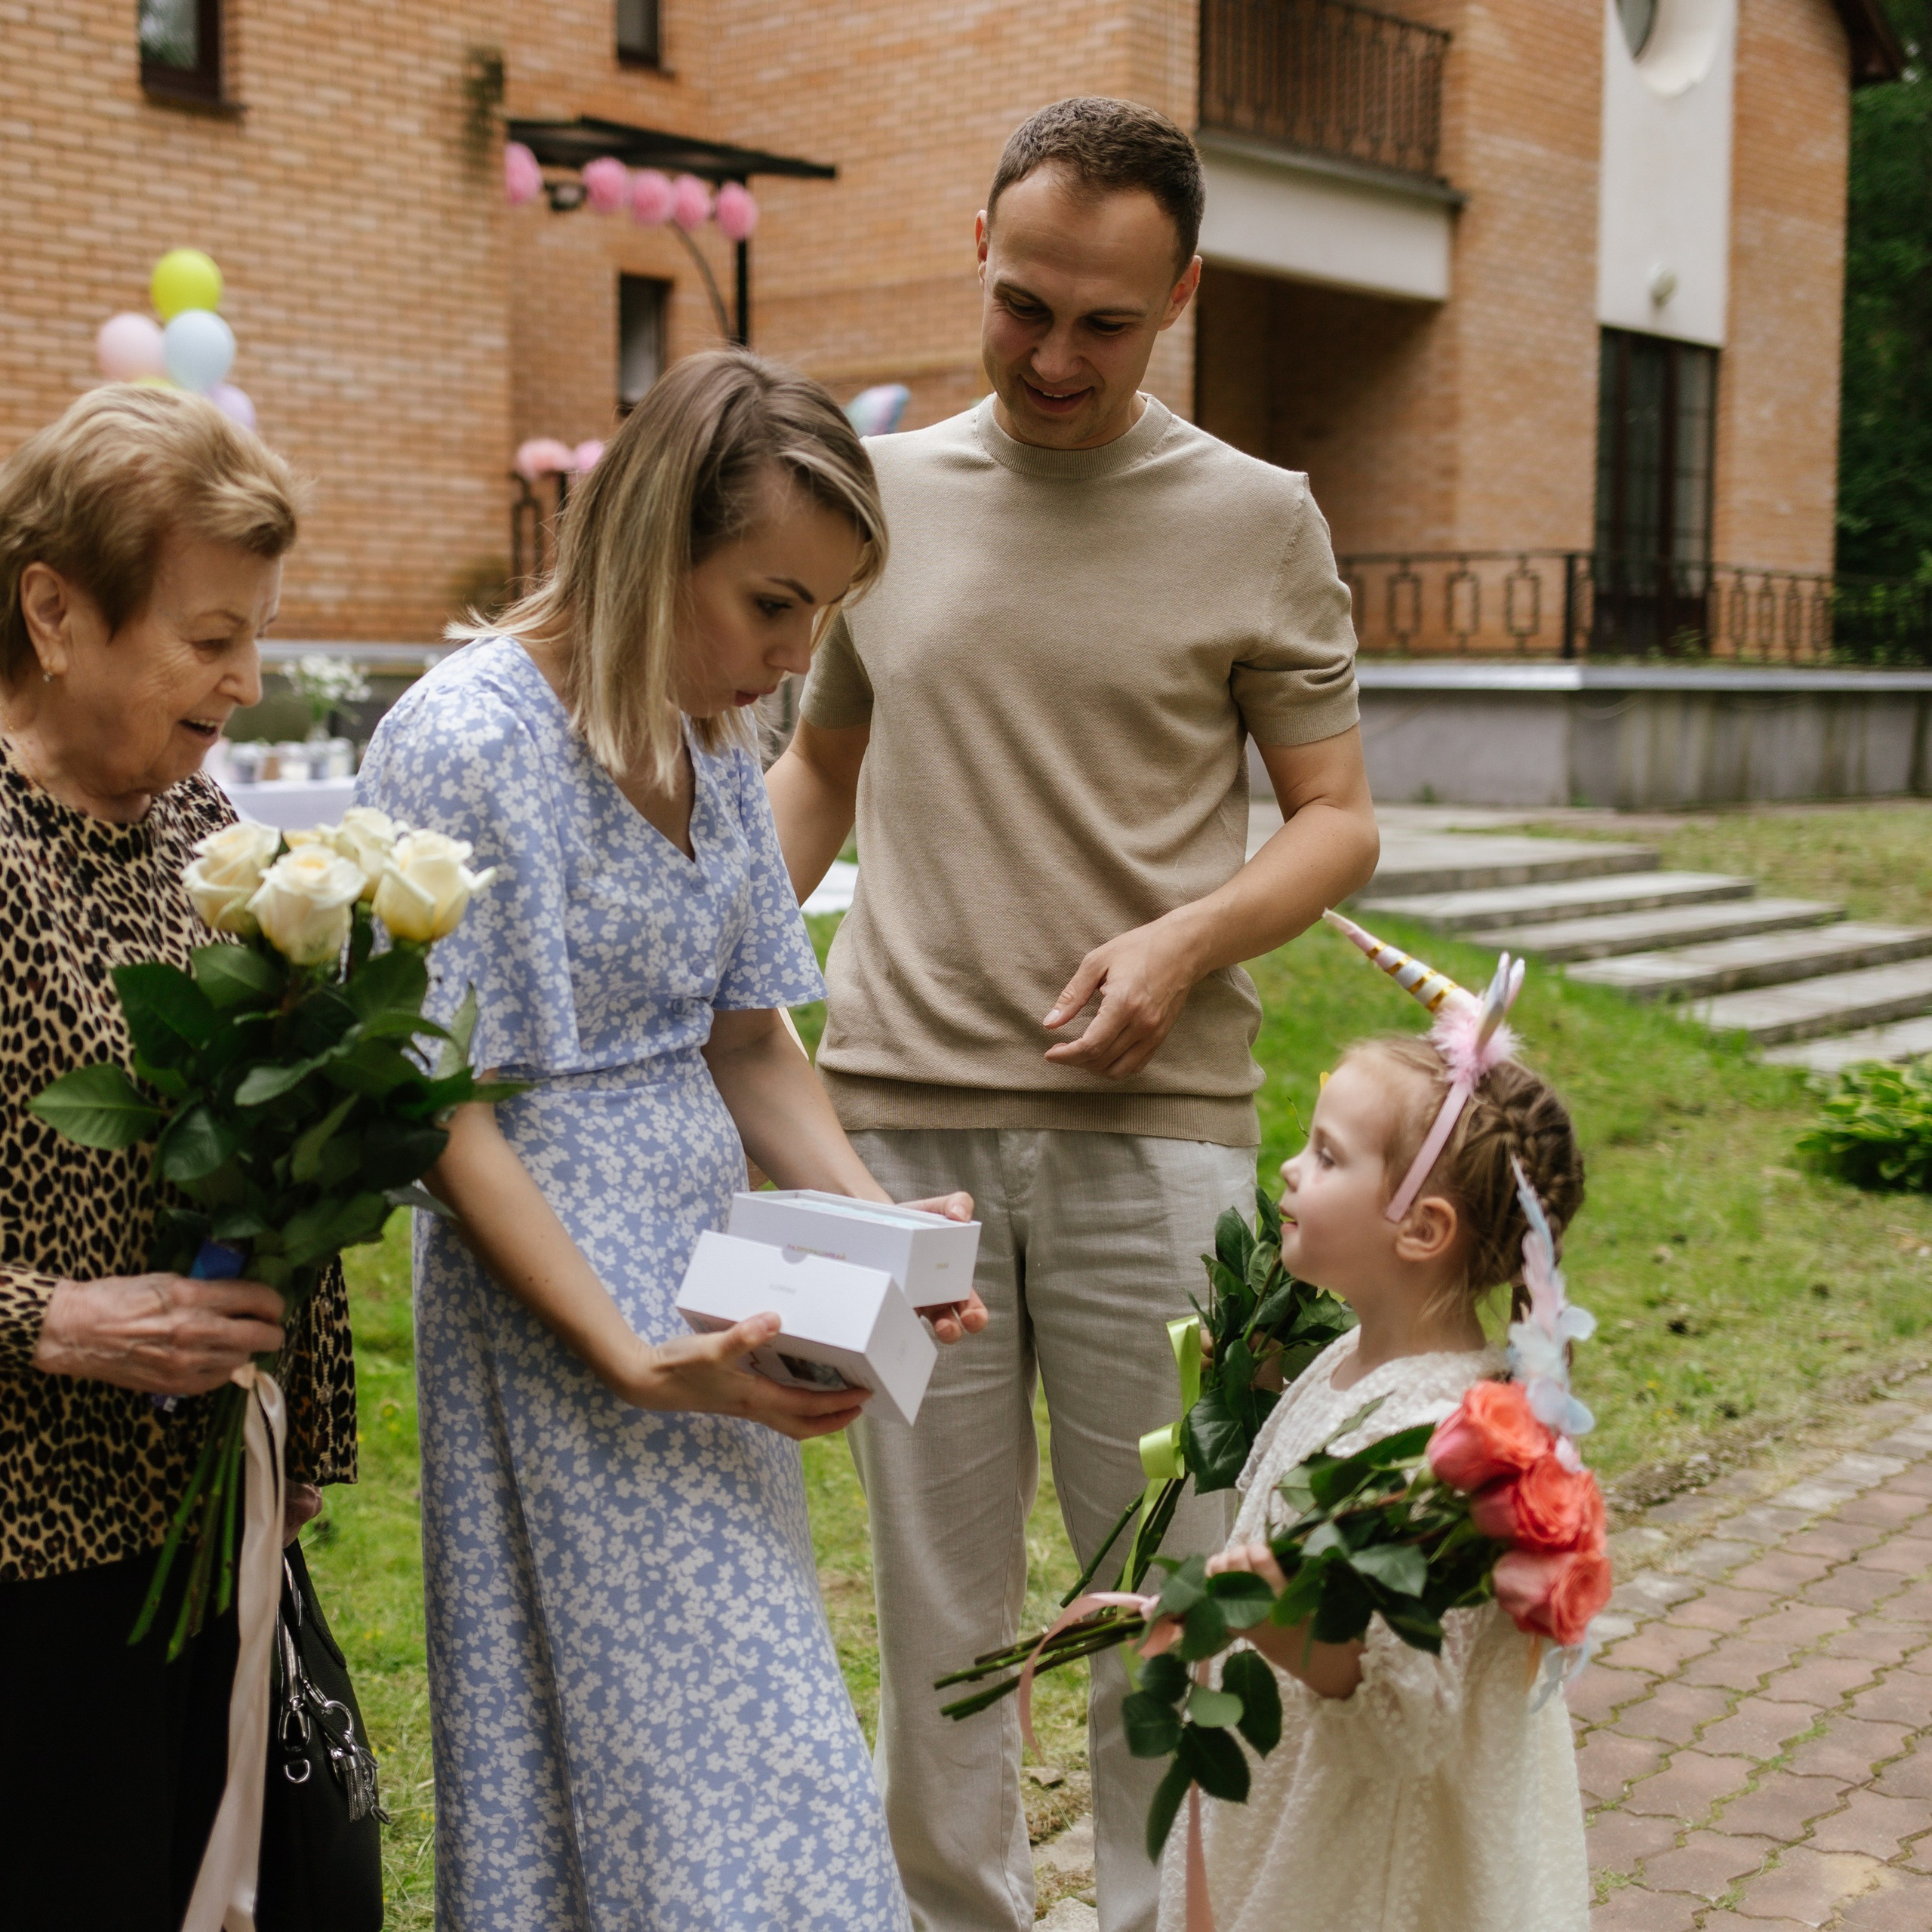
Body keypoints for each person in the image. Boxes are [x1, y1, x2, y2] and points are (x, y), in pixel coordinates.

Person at [765, 96, 1380, 1932]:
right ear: (980, 248)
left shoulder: (1259, 517)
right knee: (935, 1612)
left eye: (1102, 322)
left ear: (1179, 295)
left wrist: (1184, 940)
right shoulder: (874, 495)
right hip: (890, 1131)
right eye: (1021, 304)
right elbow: (819, 764)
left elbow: (1335, 817)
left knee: (1169, 1600)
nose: (1051, 356)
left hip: (1157, 1139)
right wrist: (718, 962)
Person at [356, 349, 983, 1932]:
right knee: (670, 1773)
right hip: (559, 1311)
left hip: (714, 1297)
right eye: (771, 602)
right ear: (652, 542)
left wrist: (876, 1230)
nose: (793, 656)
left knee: (751, 1755)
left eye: (821, 614)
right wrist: (632, 1358)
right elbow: (440, 1106)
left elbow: (748, 1036)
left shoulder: (712, 734)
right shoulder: (467, 740)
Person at [0, 386, 357, 1930]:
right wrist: (51, 1315)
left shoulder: (198, 829)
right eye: (211, 636)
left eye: (257, 636)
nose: (247, 682)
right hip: (29, 1547)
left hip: (210, 1520)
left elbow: (277, 1138)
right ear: (55, 612)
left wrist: (301, 1446)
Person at [1161, 1008, 1591, 1930]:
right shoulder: (1353, 1357)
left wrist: (1283, 1630)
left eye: (1326, 1155)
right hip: (1292, 1794)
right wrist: (1259, 1384)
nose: (1290, 1168)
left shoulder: (1443, 1451)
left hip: (1360, 1854)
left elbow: (1407, 1720)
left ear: (1422, 1228)